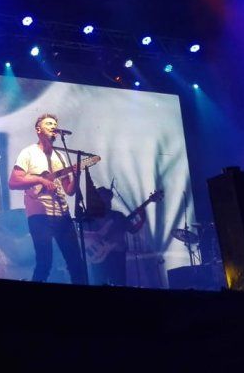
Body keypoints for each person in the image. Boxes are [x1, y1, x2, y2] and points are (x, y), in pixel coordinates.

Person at [8, 113, 86, 284]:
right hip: (39, 215)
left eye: (55, 124)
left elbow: (69, 191)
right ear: (38, 129)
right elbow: (13, 182)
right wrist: (40, 180)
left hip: (63, 215)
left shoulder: (60, 156)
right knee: (45, 262)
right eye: (49, 123)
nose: (53, 126)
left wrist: (76, 176)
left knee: (76, 263)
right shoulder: (28, 153)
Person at [86, 186, 145, 286]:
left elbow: (133, 230)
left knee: (119, 282)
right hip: (97, 255)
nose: (106, 201)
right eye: (103, 198)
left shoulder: (118, 216)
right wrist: (95, 235)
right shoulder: (90, 217)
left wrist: (142, 219)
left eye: (107, 198)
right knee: (99, 282)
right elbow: (80, 232)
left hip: (117, 253)